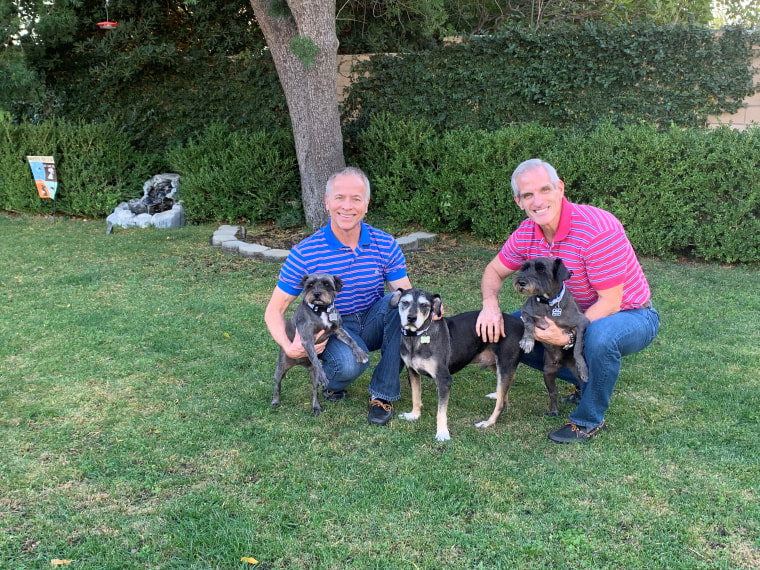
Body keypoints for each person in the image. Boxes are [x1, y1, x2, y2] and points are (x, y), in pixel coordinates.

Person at [476, 159, 660, 443]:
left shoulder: (597, 228)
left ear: (560, 188)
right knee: (512, 329)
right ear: (518, 201)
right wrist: (490, 306)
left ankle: (588, 421)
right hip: (564, 311)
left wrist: (565, 334)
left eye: (544, 190)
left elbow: (610, 302)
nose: (537, 201)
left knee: (598, 337)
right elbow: (494, 271)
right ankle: (582, 380)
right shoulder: (527, 231)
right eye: (527, 195)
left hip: (631, 314)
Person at [264, 166, 412, 426]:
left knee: (400, 306)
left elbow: (406, 292)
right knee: (349, 366)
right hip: (331, 327)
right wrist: (290, 347)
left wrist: (430, 307)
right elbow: (274, 310)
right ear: (327, 202)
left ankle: (382, 395)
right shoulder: (305, 252)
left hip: (371, 317)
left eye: (356, 199)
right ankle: (333, 384)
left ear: (366, 204)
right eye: (340, 198)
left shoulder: (385, 243)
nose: (347, 206)